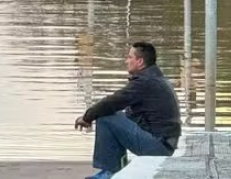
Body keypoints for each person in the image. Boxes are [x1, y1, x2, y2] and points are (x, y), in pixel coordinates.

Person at [74, 42, 181, 179]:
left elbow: (112, 102)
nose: (126, 61)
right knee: (114, 117)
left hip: (158, 147)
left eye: (130, 57)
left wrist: (87, 117)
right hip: (165, 143)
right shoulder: (155, 78)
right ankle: (116, 169)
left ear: (140, 61)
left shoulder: (145, 82)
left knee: (106, 118)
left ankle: (110, 173)